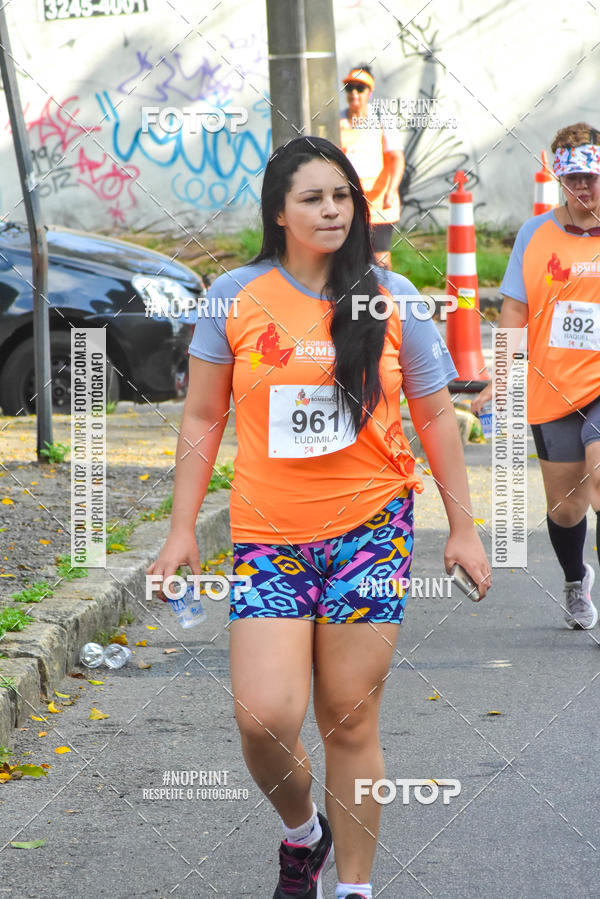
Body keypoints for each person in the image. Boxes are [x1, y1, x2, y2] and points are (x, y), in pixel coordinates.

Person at [147, 136, 490, 899]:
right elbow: (203, 415)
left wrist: (463, 527)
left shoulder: (394, 296)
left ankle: (355, 888)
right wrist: (180, 530)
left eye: (343, 196)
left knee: (348, 717)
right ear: (279, 213)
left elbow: (435, 417)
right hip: (269, 536)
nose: (333, 209)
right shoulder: (234, 294)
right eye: (313, 198)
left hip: (371, 532)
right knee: (265, 720)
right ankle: (304, 832)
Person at [472, 122, 600, 630]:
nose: (583, 187)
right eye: (573, 179)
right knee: (566, 507)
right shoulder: (534, 234)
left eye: (591, 176)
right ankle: (575, 579)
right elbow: (513, 313)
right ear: (558, 182)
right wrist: (499, 379)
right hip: (552, 386)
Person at [339, 65, 405, 270]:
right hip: (349, 204)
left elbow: (396, 158)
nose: (354, 94)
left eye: (360, 88)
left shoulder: (382, 120)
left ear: (370, 93)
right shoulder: (337, 122)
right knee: (349, 261)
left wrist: (392, 190)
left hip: (378, 204)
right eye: (350, 88)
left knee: (380, 261)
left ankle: (384, 300)